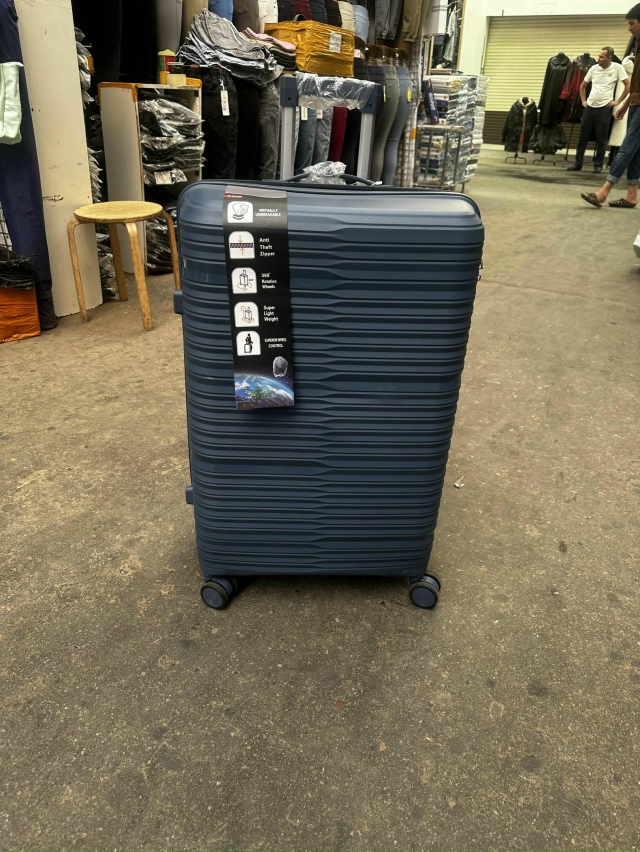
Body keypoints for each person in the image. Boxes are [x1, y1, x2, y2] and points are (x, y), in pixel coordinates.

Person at [581, 5, 640, 208]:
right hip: (636, 102)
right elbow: (637, 82)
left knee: (627, 148)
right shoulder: (638, 45)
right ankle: (631, 195)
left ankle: (603, 192)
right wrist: (626, 104)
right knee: (635, 151)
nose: (629, 28)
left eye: (632, 23)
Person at [567, 46, 629, 174]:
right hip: (590, 107)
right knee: (583, 137)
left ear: (609, 58)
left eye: (601, 57)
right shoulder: (594, 68)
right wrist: (584, 101)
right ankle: (578, 163)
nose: (598, 59)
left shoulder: (617, 68)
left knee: (602, 139)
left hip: (604, 108)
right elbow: (582, 86)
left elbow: (628, 85)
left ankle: (598, 165)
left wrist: (618, 101)